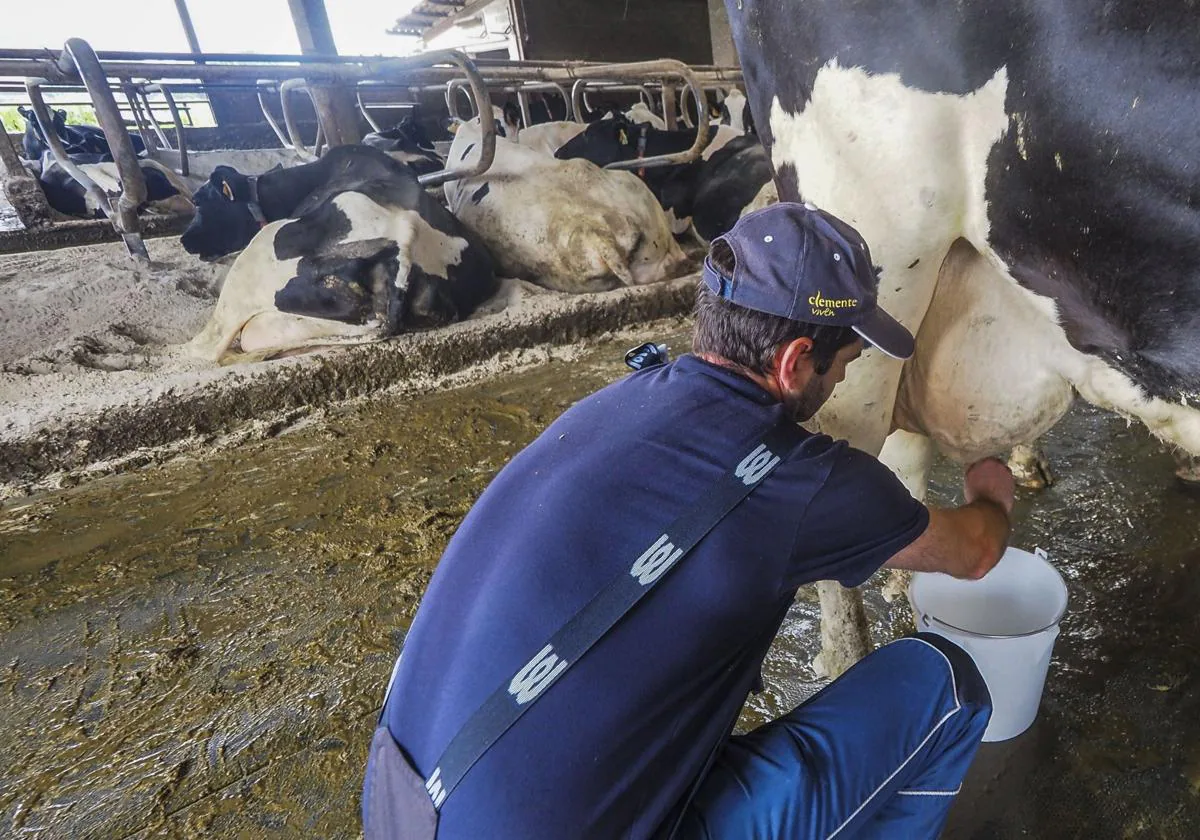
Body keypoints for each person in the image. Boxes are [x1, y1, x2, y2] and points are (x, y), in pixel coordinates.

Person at [362, 202, 1013, 840]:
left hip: (399, 808)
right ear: (793, 363)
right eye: (842, 365)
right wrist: (989, 481)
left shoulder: (612, 404)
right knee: (947, 684)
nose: (841, 383)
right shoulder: (799, 478)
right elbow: (975, 551)